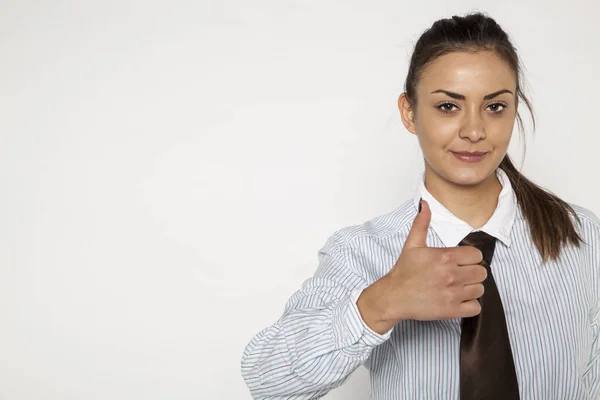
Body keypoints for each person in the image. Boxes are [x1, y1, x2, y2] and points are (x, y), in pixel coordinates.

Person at [240, 12, 600, 400]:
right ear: (409, 113)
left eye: (495, 106)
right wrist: (381, 302)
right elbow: (267, 380)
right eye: (449, 106)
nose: (474, 131)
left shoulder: (581, 236)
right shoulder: (363, 251)